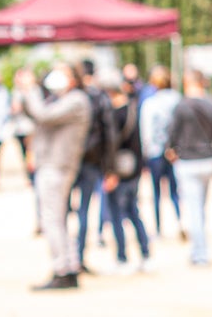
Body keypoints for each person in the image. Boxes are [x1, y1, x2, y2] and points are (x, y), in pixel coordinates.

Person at [16, 63, 91, 291]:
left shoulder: (76, 100)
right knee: (58, 219)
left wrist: (30, 90)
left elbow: (43, 115)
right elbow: (36, 114)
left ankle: (62, 269)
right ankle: (69, 265)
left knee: (51, 219)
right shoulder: (62, 100)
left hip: (56, 165)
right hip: (53, 165)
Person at [167, 70, 212, 267]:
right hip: (208, 161)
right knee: (201, 207)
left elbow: (172, 134)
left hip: (188, 162)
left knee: (193, 209)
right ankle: (198, 250)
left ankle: (200, 253)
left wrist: (171, 151)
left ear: (187, 82)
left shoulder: (181, 106)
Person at [102, 78, 152, 271]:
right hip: (134, 169)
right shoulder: (134, 109)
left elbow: (111, 145)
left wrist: (110, 172)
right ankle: (145, 253)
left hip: (119, 171)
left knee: (116, 214)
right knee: (133, 213)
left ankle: (122, 257)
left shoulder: (114, 115)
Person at [72, 63, 116, 273]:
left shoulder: (72, 98)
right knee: (84, 209)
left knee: (71, 212)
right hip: (91, 161)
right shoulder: (99, 98)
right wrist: (109, 167)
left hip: (72, 161)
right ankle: (78, 256)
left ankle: (71, 257)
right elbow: (109, 134)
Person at [139, 66, 179, 235]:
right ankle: (180, 221)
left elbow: (146, 131)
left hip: (155, 152)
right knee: (174, 191)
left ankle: (157, 228)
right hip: (174, 153)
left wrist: (145, 153)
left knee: (156, 191)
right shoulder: (177, 100)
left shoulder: (150, 103)